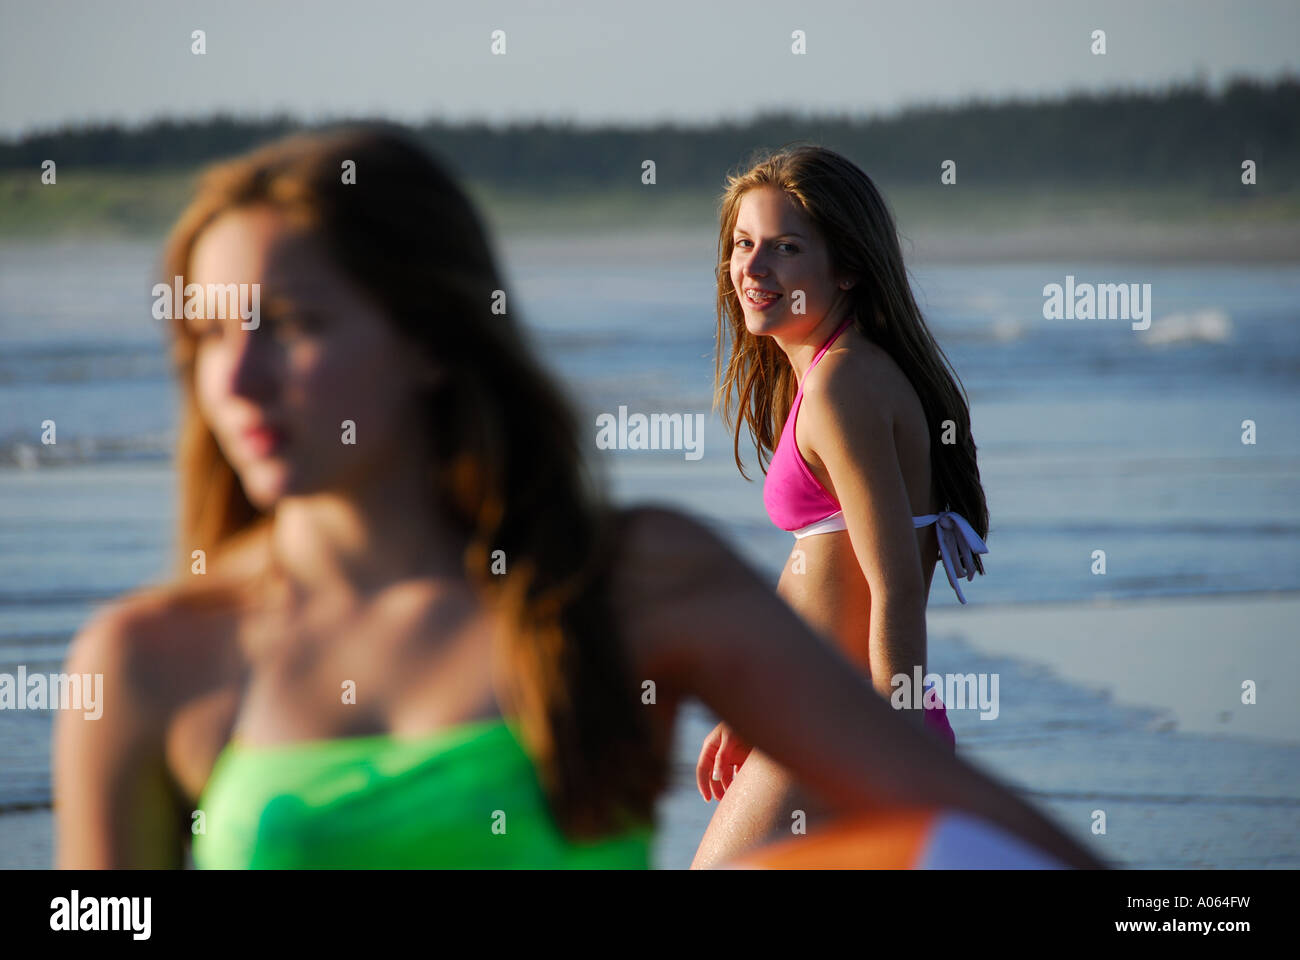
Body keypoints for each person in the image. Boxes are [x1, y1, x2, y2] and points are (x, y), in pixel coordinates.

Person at [52, 126, 1099, 870]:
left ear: (429, 336)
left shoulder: (631, 583)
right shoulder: (148, 656)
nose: (231, 381)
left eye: (293, 323)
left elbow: (1007, 829)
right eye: (202, 335)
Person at [693, 145, 989, 867]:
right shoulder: (835, 375)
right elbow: (822, 568)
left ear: (848, 267)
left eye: (786, 249)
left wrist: (892, 749)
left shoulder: (842, 387)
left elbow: (891, 590)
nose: (754, 270)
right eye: (743, 245)